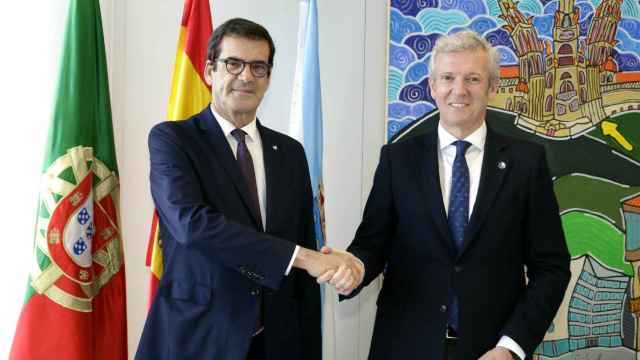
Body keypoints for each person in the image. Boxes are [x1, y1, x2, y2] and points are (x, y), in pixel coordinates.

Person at [328, 30, 570, 359]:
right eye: (447, 78)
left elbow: (551, 268)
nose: (459, 90)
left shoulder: (526, 164)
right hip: (404, 346)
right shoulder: (397, 160)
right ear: (432, 87)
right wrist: (353, 266)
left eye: (473, 78)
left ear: (492, 88)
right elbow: (372, 243)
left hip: (491, 349)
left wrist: (511, 347)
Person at [136, 18, 362, 360]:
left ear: (269, 78)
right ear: (210, 71)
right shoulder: (173, 140)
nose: (246, 76)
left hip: (278, 341)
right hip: (199, 339)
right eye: (233, 64)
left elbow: (303, 250)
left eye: (258, 67)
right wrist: (302, 258)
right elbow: (192, 225)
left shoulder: (290, 153)